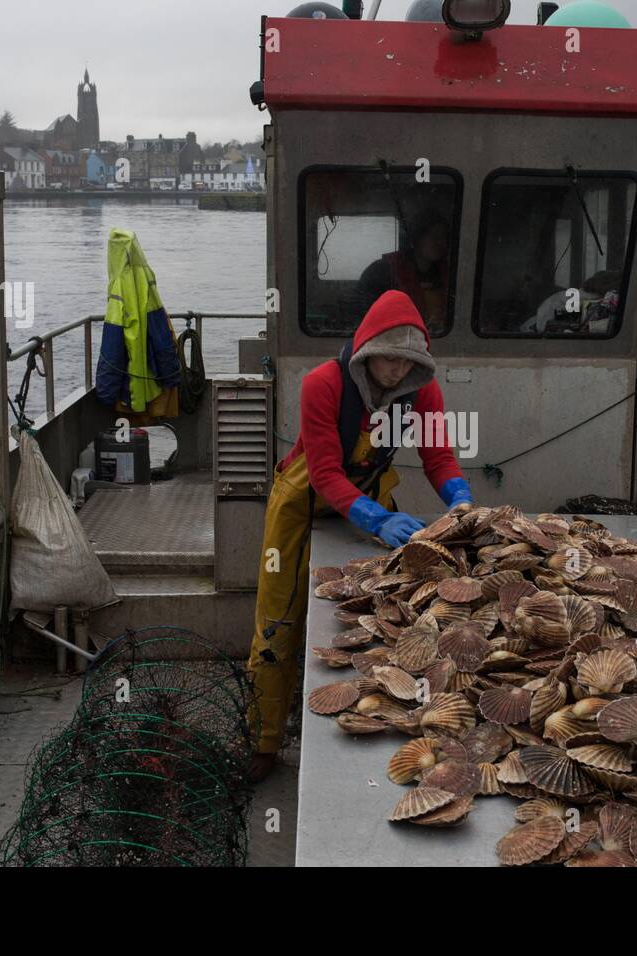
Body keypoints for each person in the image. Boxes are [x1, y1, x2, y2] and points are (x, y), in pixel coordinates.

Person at [245, 290, 475, 781]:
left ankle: (364, 721)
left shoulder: (421, 390)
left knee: (378, 614)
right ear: (366, 349)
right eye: (387, 358)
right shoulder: (322, 384)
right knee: (277, 622)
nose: (395, 369)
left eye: (406, 361)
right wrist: (378, 521)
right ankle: (262, 741)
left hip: (368, 496)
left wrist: (459, 498)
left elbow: (438, 457)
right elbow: (326, 472)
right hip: (301, 503)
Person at [347, 211, 450, 333]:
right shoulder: (382, 270)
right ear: (417, 237)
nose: (439, 241)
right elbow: (361, 311)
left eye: (442, 236)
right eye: (432, 235)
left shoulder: (449, 274)